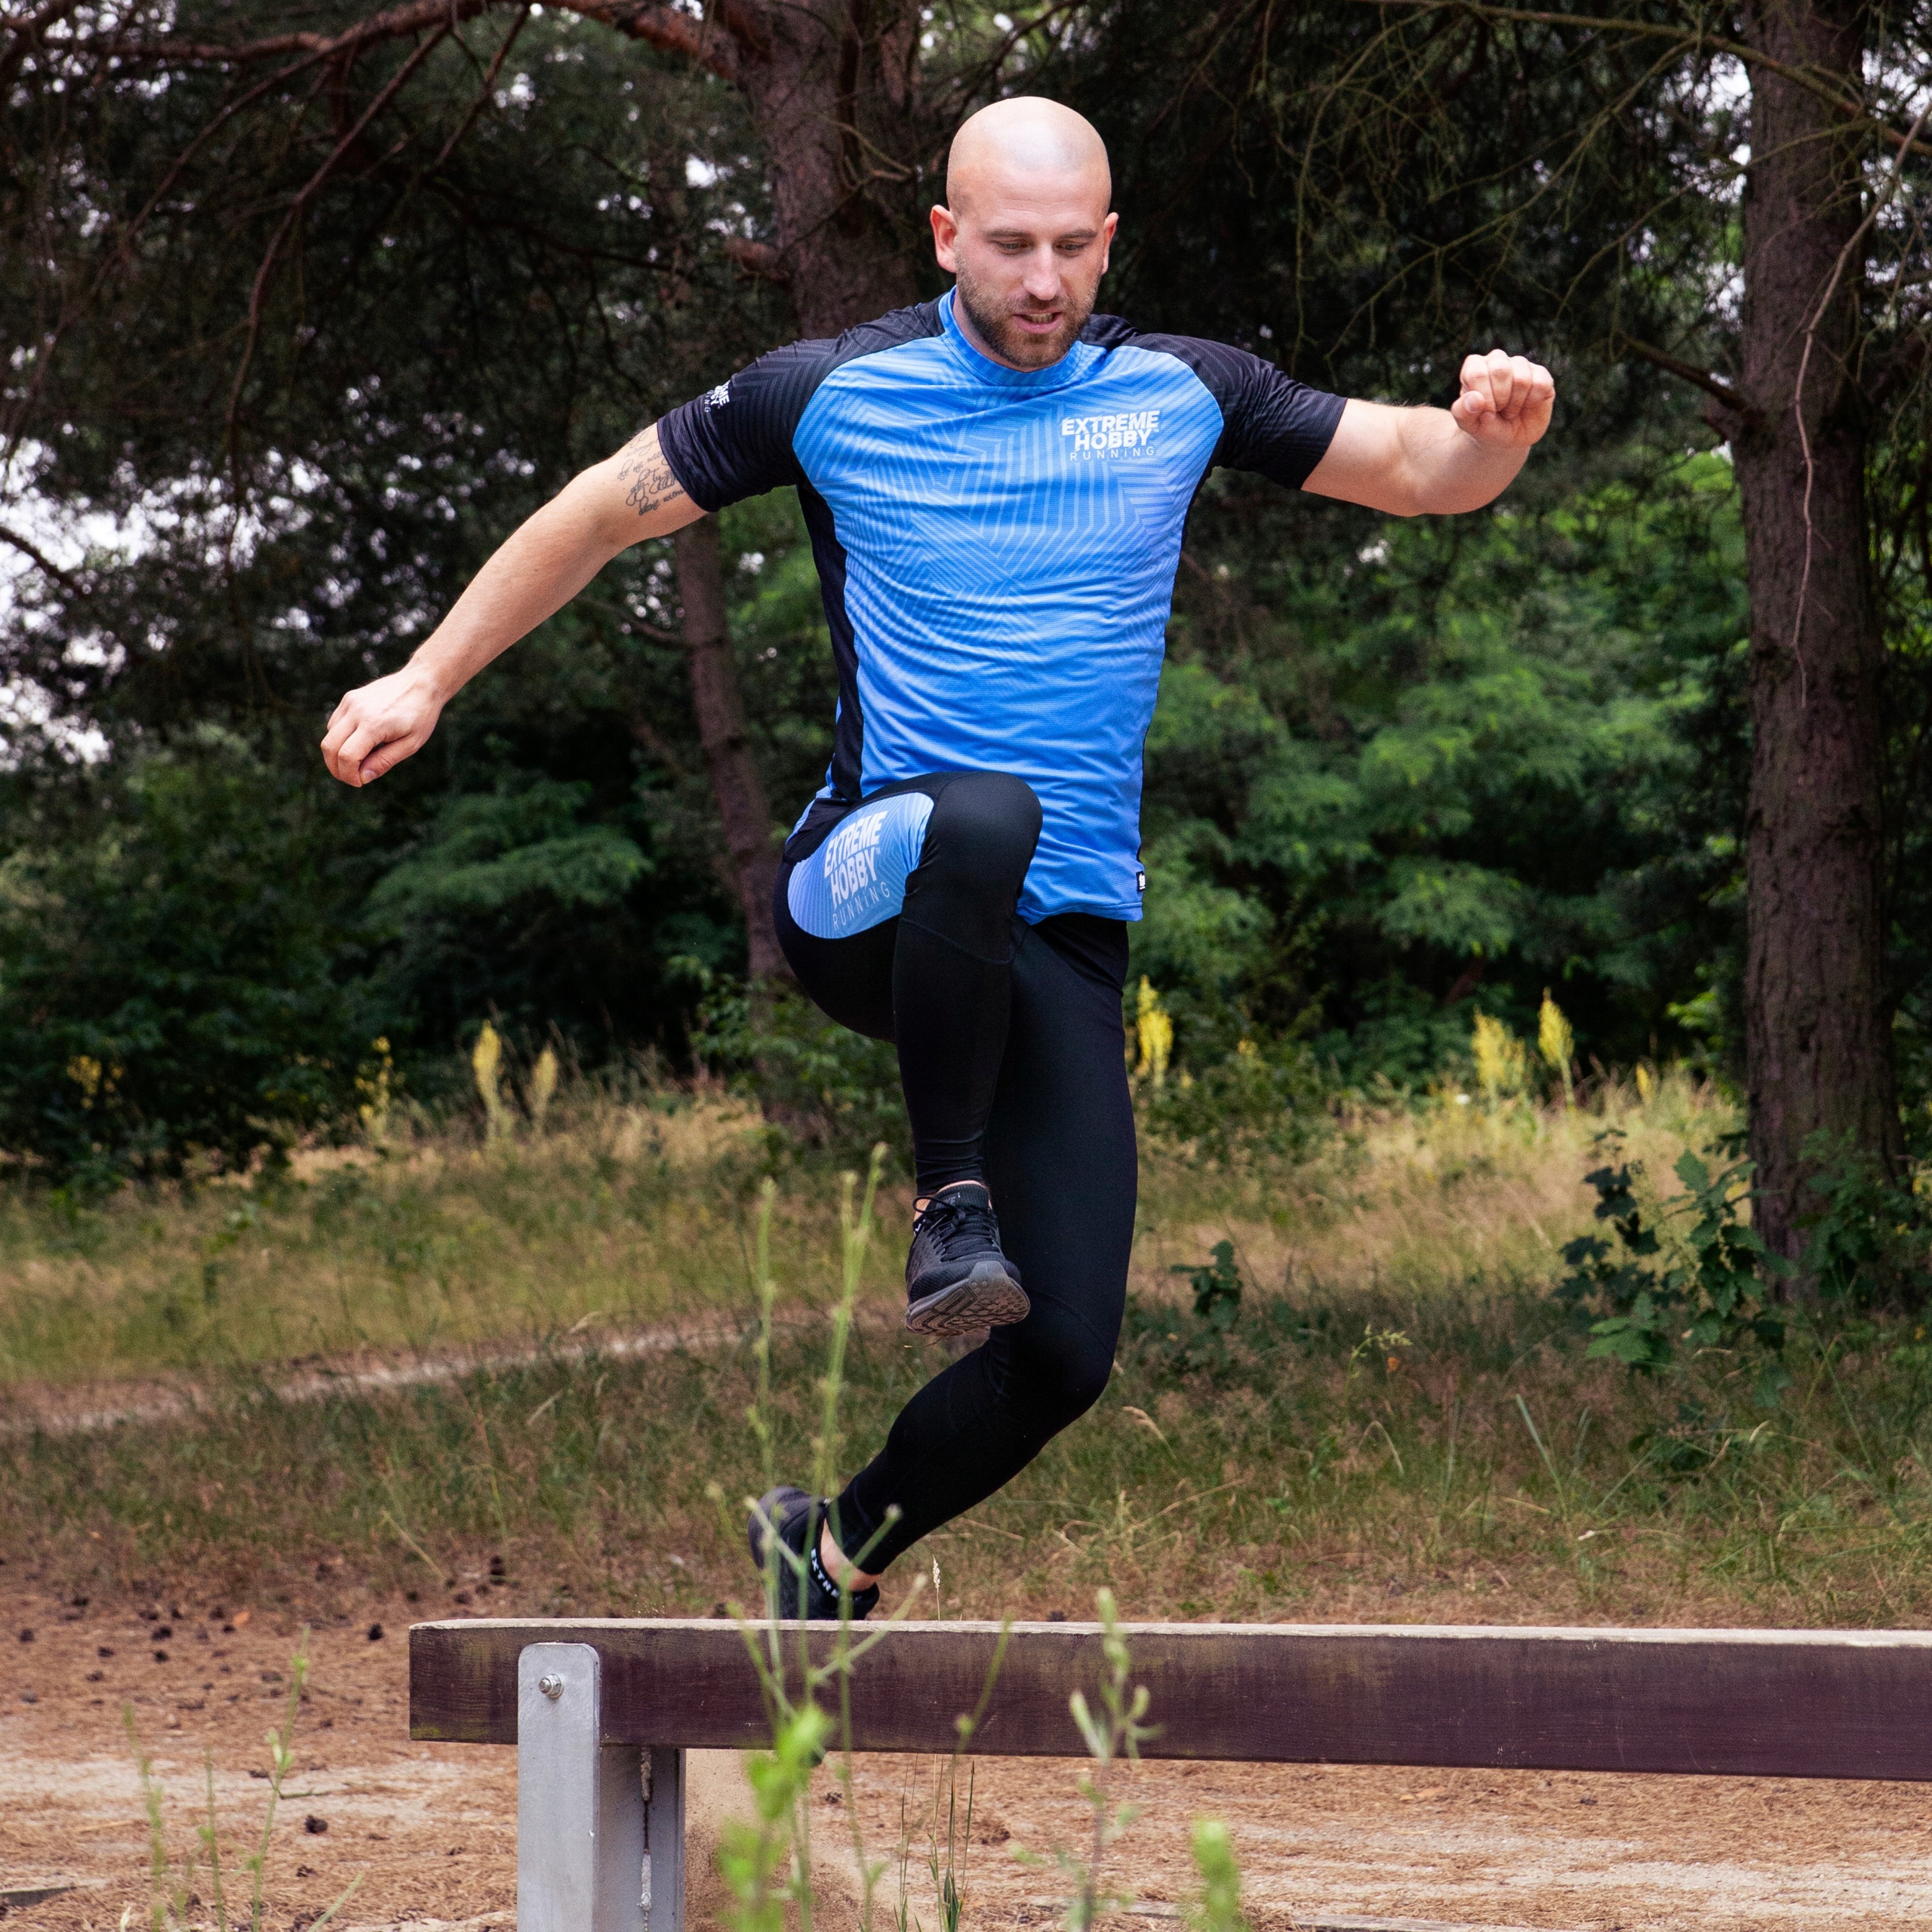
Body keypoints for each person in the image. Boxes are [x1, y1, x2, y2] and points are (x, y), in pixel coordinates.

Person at [320, 97, 1555, 1621]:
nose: (1040, 282)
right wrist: (425, 679)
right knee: (982, 812)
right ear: (944, 237)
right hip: (867, 888)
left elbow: (1421, 467)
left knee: (1063, 1351)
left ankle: (825, 1554)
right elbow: (592, 514)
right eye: (1008, 247)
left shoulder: (1181, 391)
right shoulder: (834, 389)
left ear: (1107, 242)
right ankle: (944, 1204)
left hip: (1057, 934)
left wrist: (1496, 436)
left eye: (1068, 250)